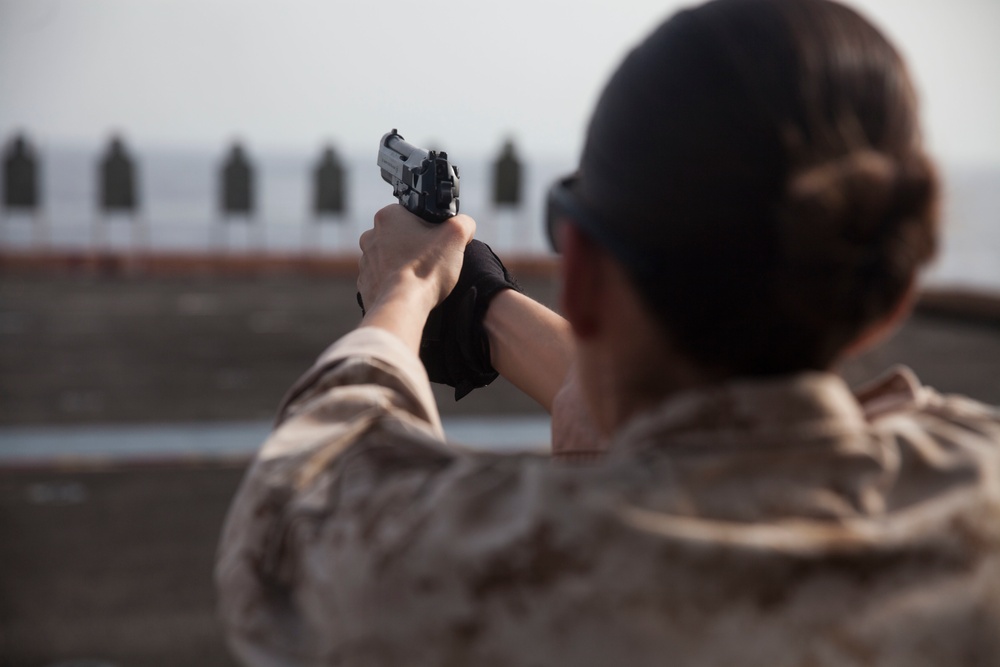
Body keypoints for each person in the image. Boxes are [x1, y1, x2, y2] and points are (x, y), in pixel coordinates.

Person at [216, 0, 1000, 664]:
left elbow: (293, 499)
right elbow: (725, 427)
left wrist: (404, 291)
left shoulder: (477, 565)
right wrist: (486, 307)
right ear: (889, 299)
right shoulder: (976, 496)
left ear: (583, 274)